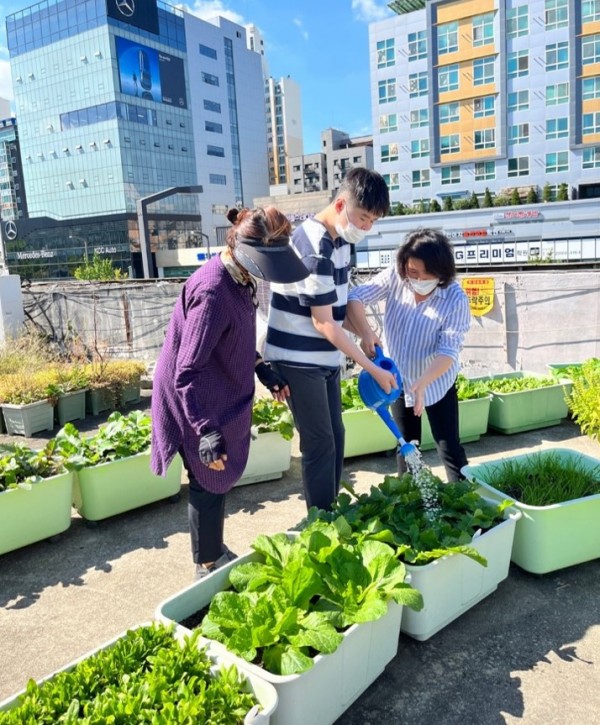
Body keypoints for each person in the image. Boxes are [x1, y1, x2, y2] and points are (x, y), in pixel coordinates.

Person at [150, 207, 309, 580]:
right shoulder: (212, 291)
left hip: (214, 386)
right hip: (192, 395)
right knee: (208, 476)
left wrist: (260, 367)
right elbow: (186, 370)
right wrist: (204, 429)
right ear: (245, 249)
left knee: (216, 477)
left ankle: (213, 549)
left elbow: (230, 340)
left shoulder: (239, 278)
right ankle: (206, 563)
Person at [264, 167, 398, 512]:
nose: (366, 227)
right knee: (320, 442)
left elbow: (342, 300)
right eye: (363, 217)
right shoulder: (315, 245)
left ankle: (329, 510)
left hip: (323, 359)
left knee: (336, 436)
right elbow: (324, 323)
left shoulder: (340, 241)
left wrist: (367, 333)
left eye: (373, 221)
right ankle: (321, 522)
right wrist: (370, 366)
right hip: (297, 358)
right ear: (341, 204)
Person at [346, 228, 472, 482]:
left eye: (428, 274)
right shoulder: (396, 276)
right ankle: (411, 500)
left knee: (449, 448)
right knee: (406, 446)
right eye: (413, 272)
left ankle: (466, 503)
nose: (419, 279)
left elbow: (448, 351)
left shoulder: (455, 298)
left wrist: (423, 383)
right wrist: (366, 333)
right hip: (397, 380)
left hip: (436, 382)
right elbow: (355, 297)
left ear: (442, 273)